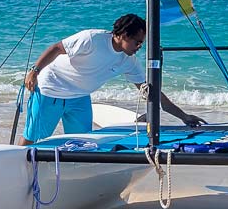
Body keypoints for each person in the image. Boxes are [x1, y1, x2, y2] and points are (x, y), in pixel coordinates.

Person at [21, 13, 204, 142]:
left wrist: (184, 116)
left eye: (142, 42)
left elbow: (152, 94)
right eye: (137, 41)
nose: (140, 46)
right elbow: (56, 48)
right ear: (124, 35)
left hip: (80, 98)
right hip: (50, 90)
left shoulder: (129, 61)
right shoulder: (92, 39)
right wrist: (34, 71)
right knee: (33, 139)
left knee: (81, 144)